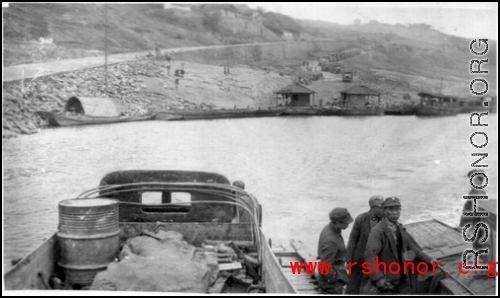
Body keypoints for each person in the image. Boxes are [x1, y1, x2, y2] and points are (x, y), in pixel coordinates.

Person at [362, 197, 435, 295]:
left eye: (397, 209)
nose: (395, 212)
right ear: (384, 210)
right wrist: (378, 278)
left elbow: (411, 247)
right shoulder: (377, 232)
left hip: (402, 278)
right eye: (391, 209)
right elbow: (370, 257)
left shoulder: (399, 228)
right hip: (387, 280)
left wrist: (429, 259)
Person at [345, 195, 384, 294]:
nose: (384, 209)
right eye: (381, 207)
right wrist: (349, 260)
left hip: (376, 261)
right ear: (373, 207)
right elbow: (353, 240)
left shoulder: (386, 220)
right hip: (359, 260)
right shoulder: (361, 219)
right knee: (353, 286)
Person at [460, 169, 491, 274]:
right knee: (477, 244)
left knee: (479, 244)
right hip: (475, 223)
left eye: (473, 180)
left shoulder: (478, 193)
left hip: (478, 224)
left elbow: (477, 212)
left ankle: (483, 266)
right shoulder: (473, 192)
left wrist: (470, 226)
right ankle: (481, 263)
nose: (471, 182)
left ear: (478, 182)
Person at [317, 207, 353, 294]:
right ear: (337, 223)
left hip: (334, 274)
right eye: (346, 223)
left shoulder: (332, 229)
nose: (348, 224)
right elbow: (324, 266)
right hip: (331, 282)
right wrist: (334, 279)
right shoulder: (330, 240)